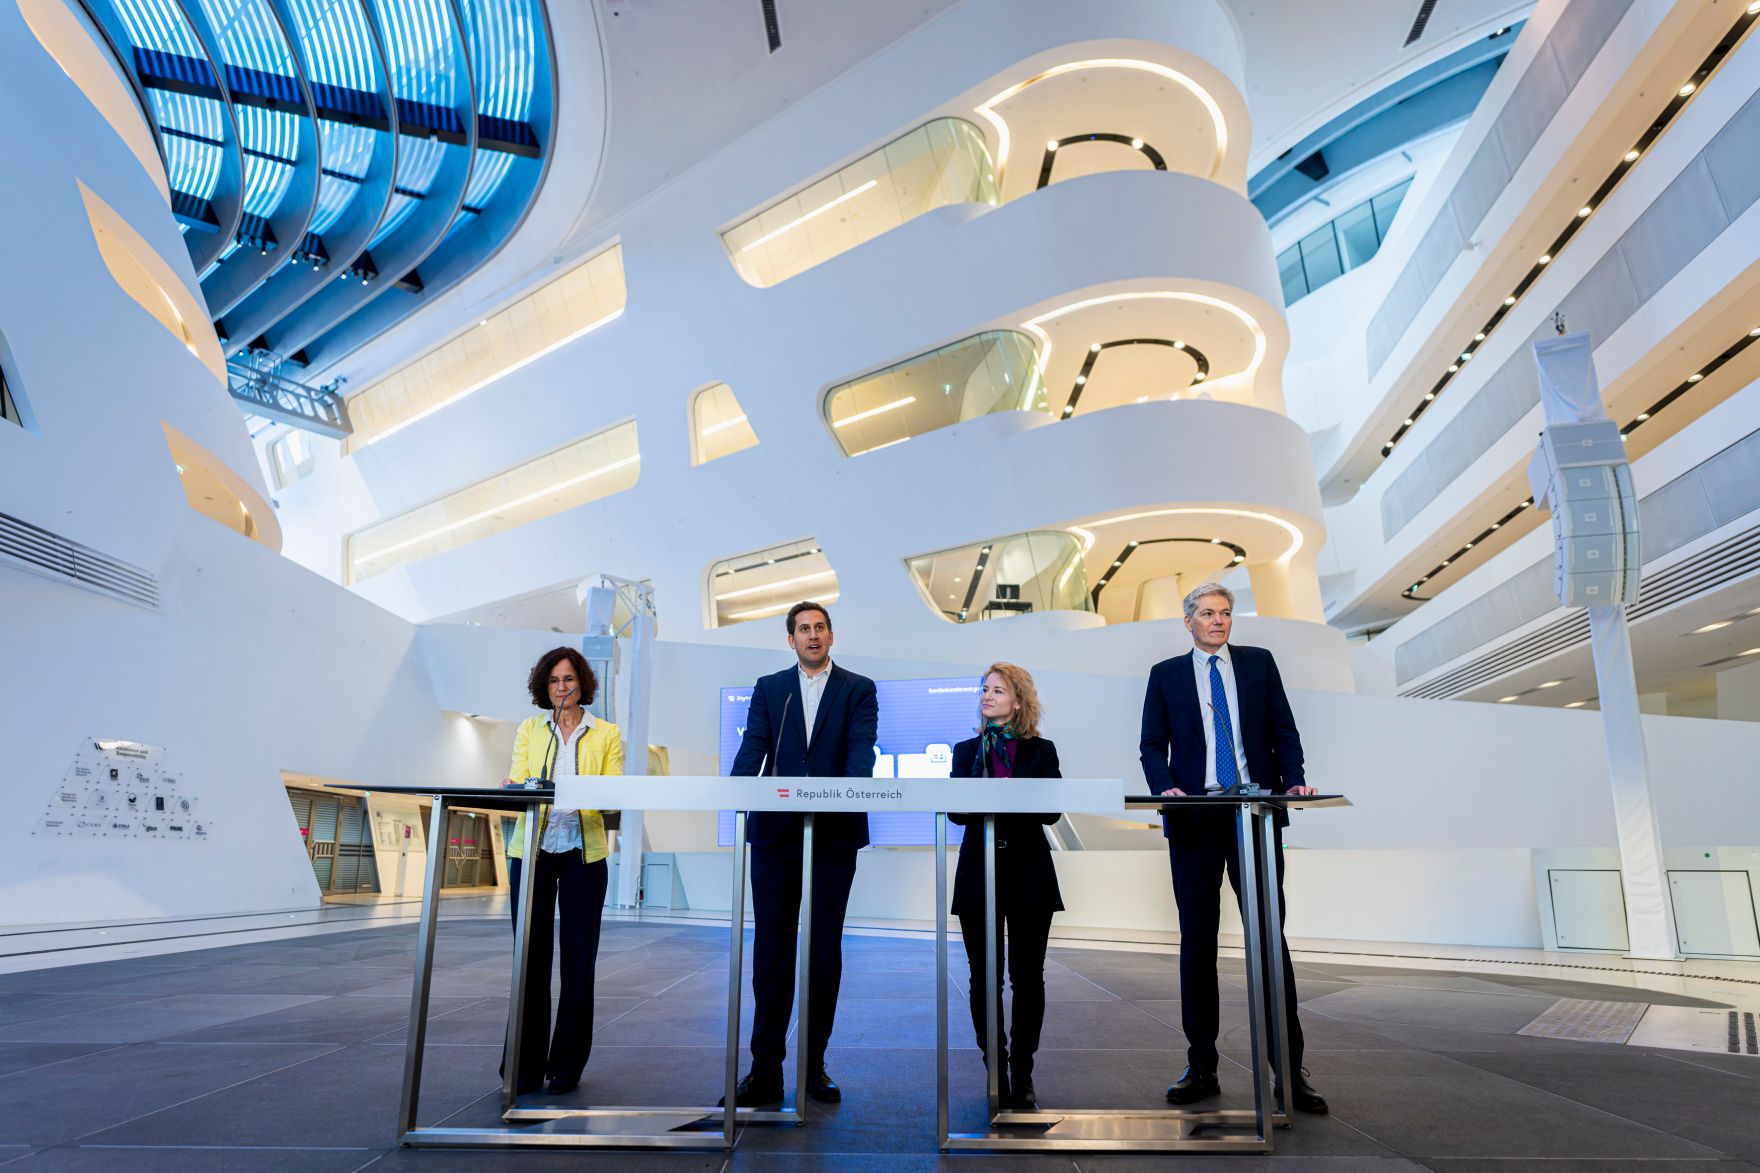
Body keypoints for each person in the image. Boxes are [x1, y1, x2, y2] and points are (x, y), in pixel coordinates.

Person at [1138, 582, 1327, 1114]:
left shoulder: (1259, 663)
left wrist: (1294, 780)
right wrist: (1165, 787)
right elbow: (1152, 743)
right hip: (1196, 821)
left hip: (1255, 816)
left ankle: (1289, 1071)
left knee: (1270, 941)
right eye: (1206, 613)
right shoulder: (1166, 675)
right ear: (1188, 622)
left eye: (1224, 613)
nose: (1217, 621)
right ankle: (1202, 1067)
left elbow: (1283, 729)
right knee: (1197, 944)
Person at [725, 601, 878, 1107]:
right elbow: (753, 752)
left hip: (832, 838)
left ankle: (814, 1067)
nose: (812, 636)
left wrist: (843, 795)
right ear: (790, 640)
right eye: (803, 630)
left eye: (820, 628)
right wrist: (733, 794)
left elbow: (861, 756)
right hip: (776, 837)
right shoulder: (771, 690)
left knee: (823, 951)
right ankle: (765, 1070)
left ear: (831, 636)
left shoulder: (859, 689)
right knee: (771, 952)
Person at [499, 646, 623, 1096]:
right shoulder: (531, 730)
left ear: (582, 683)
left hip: (583, 855)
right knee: (529, 961)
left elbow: (613, 795)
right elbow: (517, 781)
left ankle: (566, 1065)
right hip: (531, 852)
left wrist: (584, 793)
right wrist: (517, 788)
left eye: (569, 680)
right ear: (543, 687)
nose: (562, 688)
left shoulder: (606, 733)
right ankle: (523, 1066)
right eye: (554, 681)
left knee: (577, 963)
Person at [948, 662, 1062, 1110]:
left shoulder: (1042, 751)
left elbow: (1051, 812)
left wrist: (1007, 799)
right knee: (984, 978)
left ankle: (1023, 1069)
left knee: (1027, 978)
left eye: (997, 690)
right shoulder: (965, 750)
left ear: (1018, 700)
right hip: (978, 873)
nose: (986, 696)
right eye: (984, 689)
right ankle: (993, 1064)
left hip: (1029, 873)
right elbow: (957, 813)